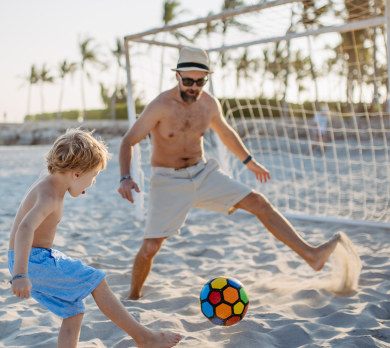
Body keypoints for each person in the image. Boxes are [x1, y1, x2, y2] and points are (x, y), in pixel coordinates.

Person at [118, 47, 344, 300]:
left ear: (207, 79)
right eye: (188, 81)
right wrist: (125, 177)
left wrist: (249, 161)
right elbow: (128, 141)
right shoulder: (160, 105)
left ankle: (312, 256)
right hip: (167, 180)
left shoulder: (209, 104)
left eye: (200, 81)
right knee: (150, 248)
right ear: (177, 77)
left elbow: (225, 133)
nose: (193, 86)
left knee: (259, 202)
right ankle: (134, 297)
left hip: (203, 173)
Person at [9, 128, 181, 348]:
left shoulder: (51, 180)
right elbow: (25, 229)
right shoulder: (49, 196)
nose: (91, 184)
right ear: (76, 174)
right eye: (93, 176)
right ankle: (143, 337)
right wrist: (20, 274)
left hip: (36, 257)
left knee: (74, 311)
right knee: (96, 281)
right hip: (31, 261)